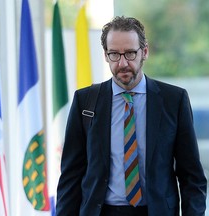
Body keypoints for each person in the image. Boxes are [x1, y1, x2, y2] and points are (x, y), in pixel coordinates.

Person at [56, 16, 207, 216]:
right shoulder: (85, 101)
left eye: (130, 53)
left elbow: (192, 177)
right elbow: (71, 176)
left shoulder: (174, 100)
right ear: (105, 55)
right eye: (114, 55)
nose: (122, 63)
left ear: (144, 52)